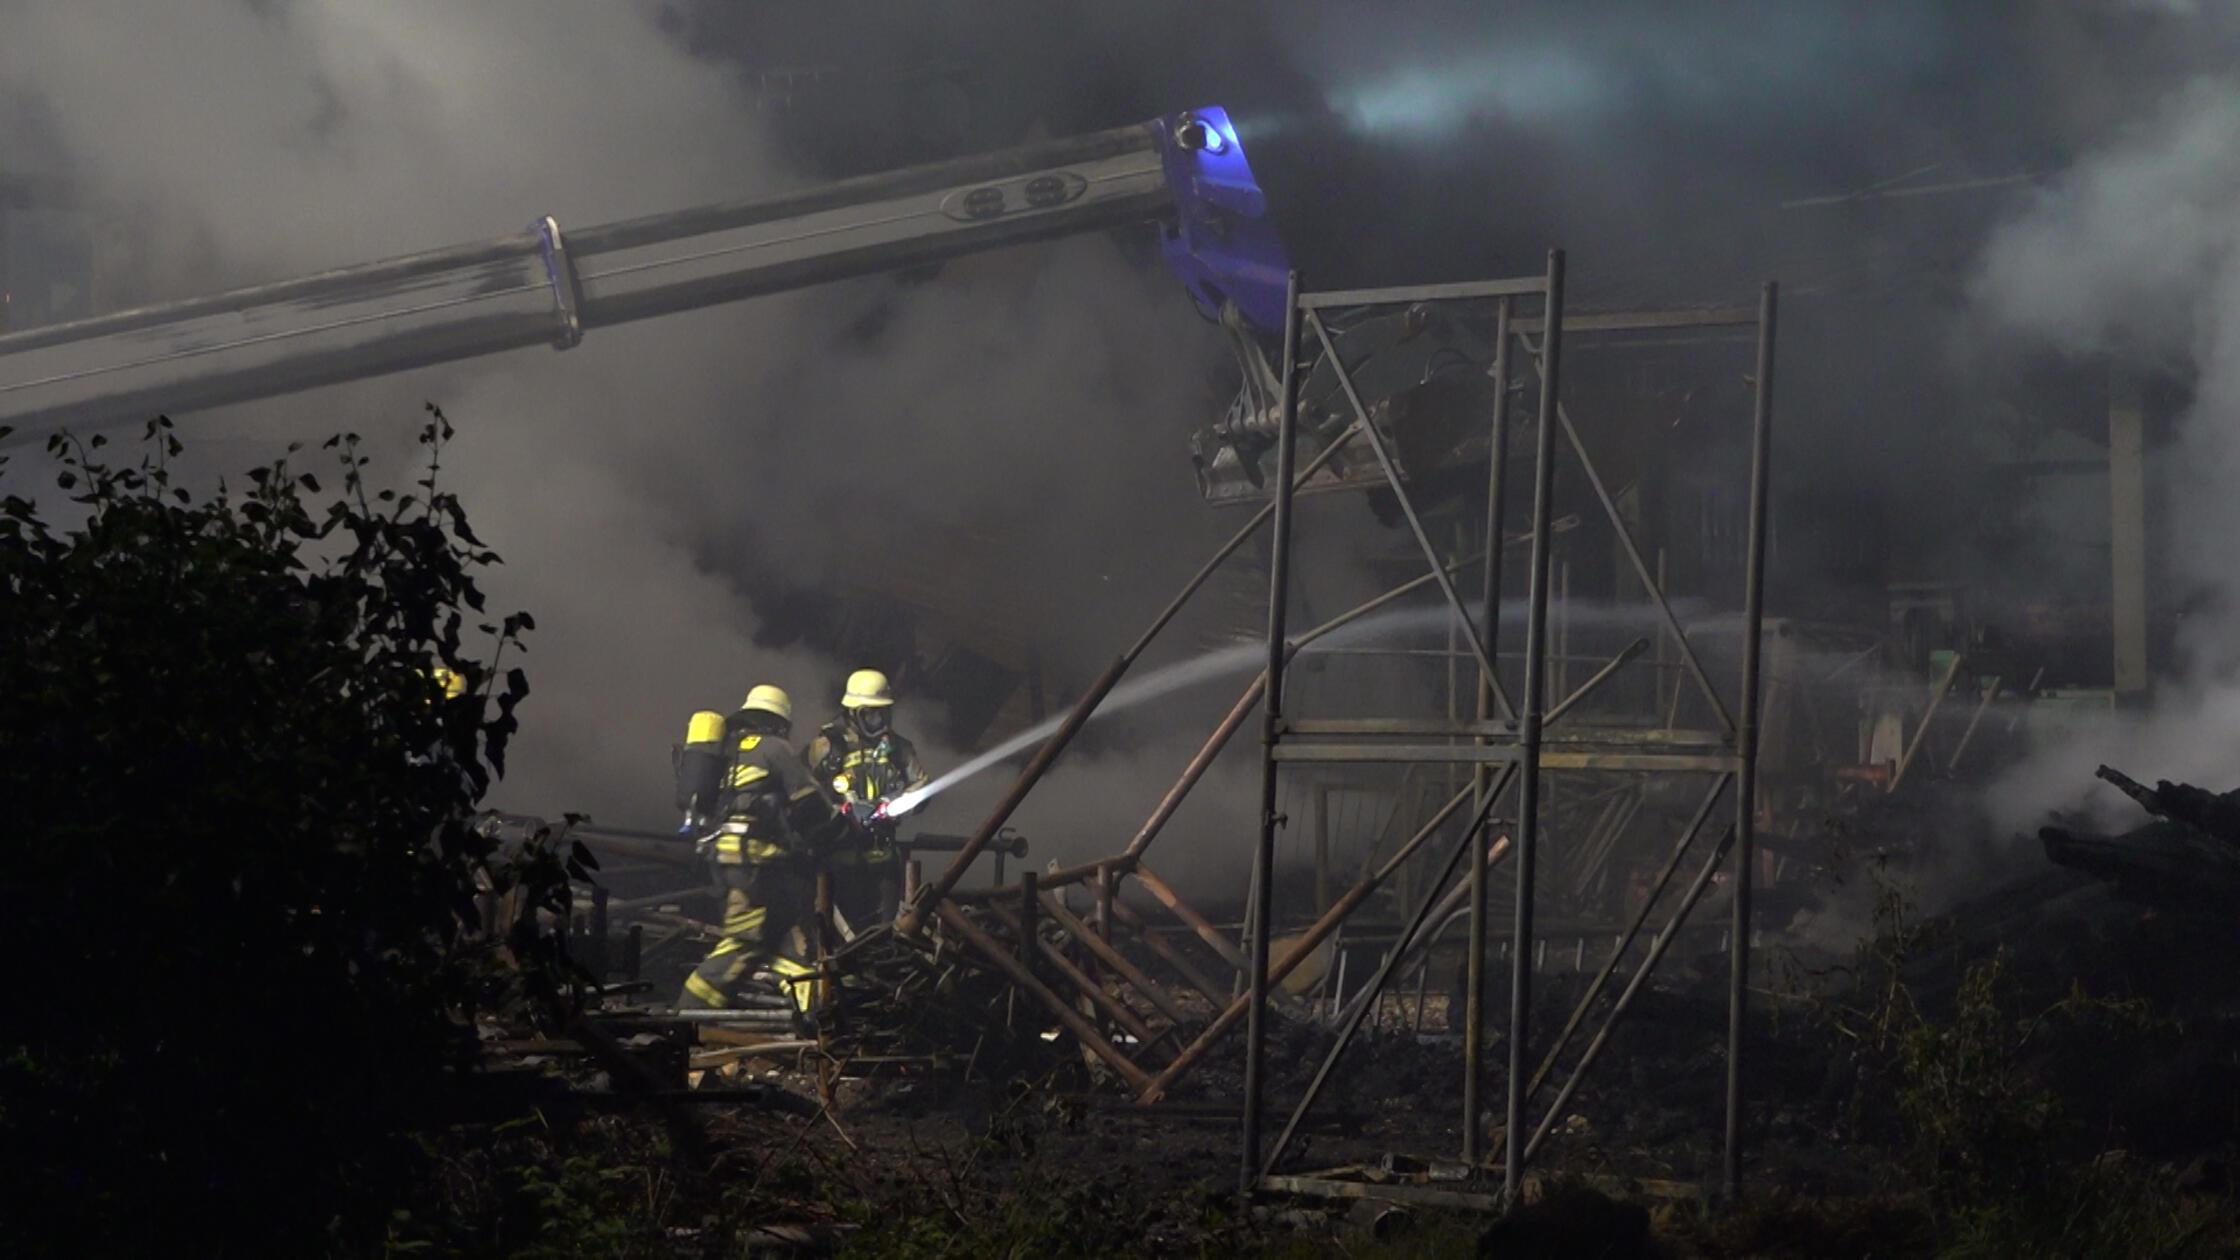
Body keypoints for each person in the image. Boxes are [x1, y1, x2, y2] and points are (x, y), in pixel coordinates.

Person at [678, 684, 849, 1012]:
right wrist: (840, 831)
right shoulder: (775, 748)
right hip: (758, 867)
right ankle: (687, 1016)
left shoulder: (726, 751)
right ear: (779, 722)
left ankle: (817, 1017)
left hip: (725, 862)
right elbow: (811, 804)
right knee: (743, 944)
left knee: (788, 940)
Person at [804, 668, 929, 932]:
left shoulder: (899, 749)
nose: (879, 720)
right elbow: (803, 796)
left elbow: (922, 790)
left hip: (883, 864)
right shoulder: (827, 746)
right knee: (835, 937)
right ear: (853, 712)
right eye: (870, 714)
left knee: (884, 936)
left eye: (883, 713)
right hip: (838, 864)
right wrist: (841, 811)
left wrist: (893, 807)